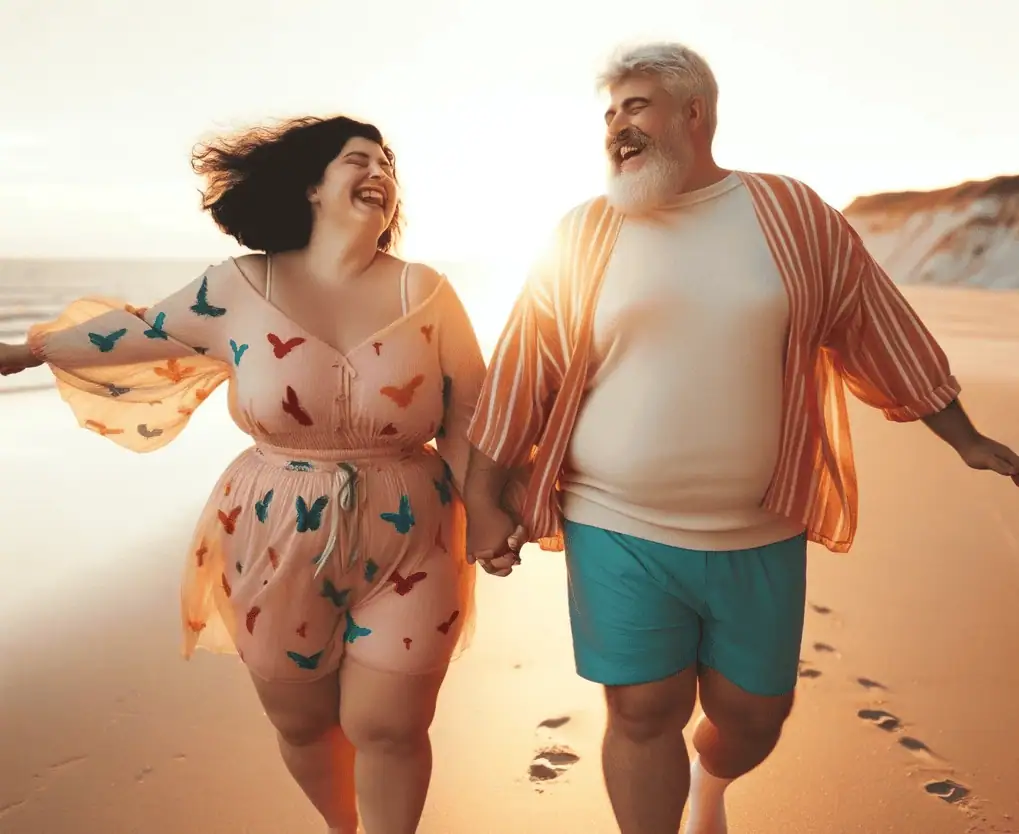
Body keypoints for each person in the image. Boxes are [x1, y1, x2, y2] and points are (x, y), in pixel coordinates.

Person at [463, 42, 1019, 834]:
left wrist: (958, 432)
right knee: (642, 707)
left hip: (760, 524)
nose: (616, 126)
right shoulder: (583, 232)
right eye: (609, 112)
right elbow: (524, 363)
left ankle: (710, 785)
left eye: (636, 106)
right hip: (615, 517)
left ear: (694, 113)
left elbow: (874, 322)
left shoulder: (790, 214)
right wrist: (484, 493)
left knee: (754, 715)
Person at [0, 114, 487, 834]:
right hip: (270, 528)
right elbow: (136, 332)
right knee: (302, 721)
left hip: (411, 533)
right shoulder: (236, 286)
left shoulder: (426, 292)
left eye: (387, 163)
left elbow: (471, 415)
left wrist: (495, 517)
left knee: (390, 726)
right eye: (359, 159)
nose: (380, 172)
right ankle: (341, 825)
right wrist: (26, 349)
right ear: (312, 186)